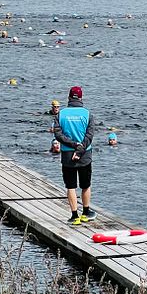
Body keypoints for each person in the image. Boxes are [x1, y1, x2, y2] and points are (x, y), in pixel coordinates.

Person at [53, 86, 97, 226]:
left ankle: (74, 216)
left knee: (71, 186)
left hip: (67, 155)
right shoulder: (87, 114)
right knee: (85, 185)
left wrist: (73, 146)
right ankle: (86, 213)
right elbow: (89, 136)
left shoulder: (61, 114)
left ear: (69, 98)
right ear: (81, 98)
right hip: (85, 155)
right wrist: (80, 150)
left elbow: (58, 134)